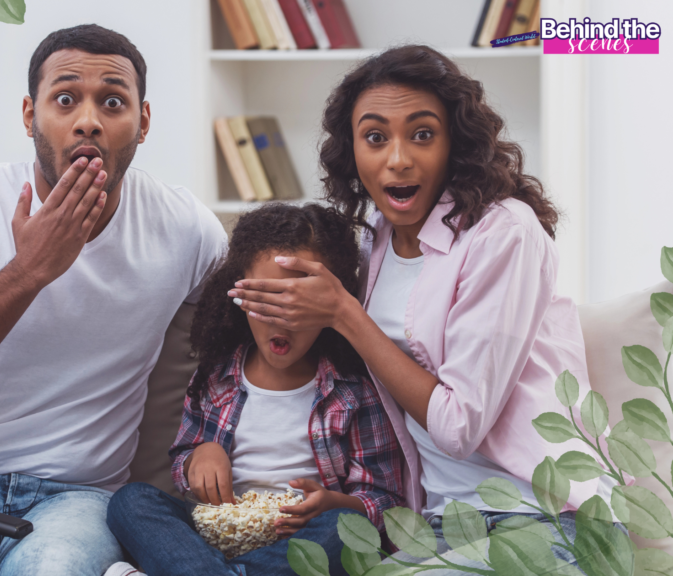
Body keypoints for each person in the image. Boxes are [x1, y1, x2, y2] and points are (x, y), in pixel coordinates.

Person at [227, 45, 622, 572]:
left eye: (421, 134)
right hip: (438, 523)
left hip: (545, 517)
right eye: (375, 137)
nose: (397, 158)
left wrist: (345, 314)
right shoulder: (373, 248)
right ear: (353, 153)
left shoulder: (505, 233)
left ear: (454, 143)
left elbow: (459, 428)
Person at [0, 24, 228, 576]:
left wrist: (210, 440)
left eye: (112, 101)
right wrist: (29, 270)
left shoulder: (184, 228)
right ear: (31, 115)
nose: (88, 120)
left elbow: (242, 342)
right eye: (64, 99)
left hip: (77, 499)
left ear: (142, 122)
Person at [105, 204, 406, 576]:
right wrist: (201, 455)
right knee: (131, 501)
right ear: (238, 295)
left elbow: (386, 502)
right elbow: (184, 459)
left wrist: (335, 503)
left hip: (302, 542)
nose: (282, 317)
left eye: (299, 303)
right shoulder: (216, 377)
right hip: (212, 532)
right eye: (265, 300)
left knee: (346, 530)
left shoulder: (354, 391)